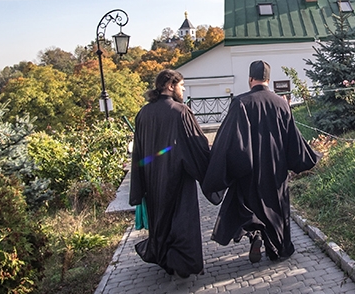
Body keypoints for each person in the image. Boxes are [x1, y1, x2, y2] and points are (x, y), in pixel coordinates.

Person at [202, 60, 320, 263]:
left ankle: (255, 234)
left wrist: (224, 163)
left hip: (250, 170)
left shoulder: (241, 103)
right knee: (276, 208)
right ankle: (278, 249)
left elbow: (229, 139)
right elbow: (292, 138)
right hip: (276, 169)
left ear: (250, 79)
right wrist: (303, 159)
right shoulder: (281, 103)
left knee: (248, 204)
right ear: (268, 79)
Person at [129, 69, 221, 278]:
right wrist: (214, 166)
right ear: (170, 86)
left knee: (160, 221)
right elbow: (197, 145)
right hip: (178, 179)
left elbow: (138, 151)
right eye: (181, 85)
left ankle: (164, 259)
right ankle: (180, 263)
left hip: (152, 180)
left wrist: (139, 184)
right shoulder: (180, 112)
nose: (183, 89)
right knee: (181, 221)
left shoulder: (143, 113)